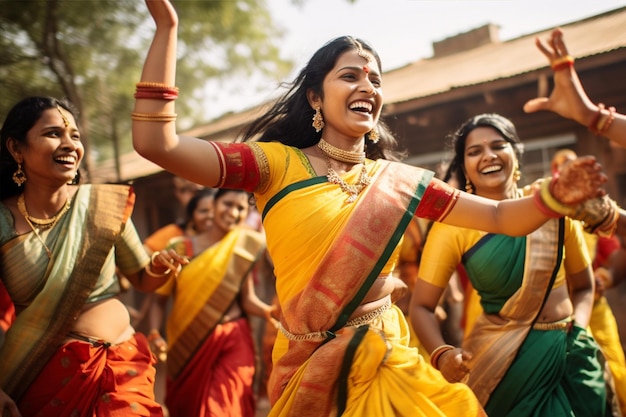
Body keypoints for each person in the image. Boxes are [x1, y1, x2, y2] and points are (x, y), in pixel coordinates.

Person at [131, 2, 607, 415]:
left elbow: (503, 218)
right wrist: (167, 28)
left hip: (389, 360)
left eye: (376, 79)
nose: (367, 86)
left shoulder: (400, 181)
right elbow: (157, 143)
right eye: (351, 75)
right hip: (310, 369)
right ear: (315, 96)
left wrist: (552, 198)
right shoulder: (273, 164)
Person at [411, 112, 611, 416]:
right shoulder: (452, 227)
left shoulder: (554, 205)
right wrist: (441, 353)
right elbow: (421, 307)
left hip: (571, 356)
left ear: (515, 153)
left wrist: (577, 333)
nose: (488, 155)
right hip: (505, 363)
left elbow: (584, 286)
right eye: (474, 151)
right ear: (464, 166)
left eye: (498, 146)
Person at [0, 96, 189, 417]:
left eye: (74, 135)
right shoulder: (3, 220)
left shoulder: (103, 205)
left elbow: (142, 279)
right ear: (17, 149)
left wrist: (157, 266)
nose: (69, 144)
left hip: (123, 366)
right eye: (53, 133)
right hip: (46, 378)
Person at [148, 188, 275, 417]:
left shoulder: (243, 246)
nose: (233, 212)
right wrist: (155, 333)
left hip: (234, 338)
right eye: (228, 204)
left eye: (241, 209)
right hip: (189, 343)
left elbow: (247, 300)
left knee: (224, 408)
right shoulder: (179, 248)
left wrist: (270, 313)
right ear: (213, 205)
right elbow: (158, 300)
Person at [552, 148, 626, 415]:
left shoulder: (594, 206)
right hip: (553, 318)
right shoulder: (543, 212)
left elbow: (616, 252)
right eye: (562, 170)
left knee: (615, 370)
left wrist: (605, 276)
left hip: (593, 305)